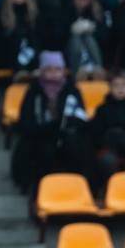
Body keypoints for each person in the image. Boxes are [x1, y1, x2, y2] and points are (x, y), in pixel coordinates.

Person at [11, 51, 91, 192]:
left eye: (57, 69)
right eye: (49, 69)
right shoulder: (33, 91)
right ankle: (39, 189)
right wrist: (47, 128)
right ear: (42, 71)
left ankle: (81, 187)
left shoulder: (71, 90)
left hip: (65, 135)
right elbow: (26, 121)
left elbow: (79, 117)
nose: (54, 73)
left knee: (78, 145)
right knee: (40, 148)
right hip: (40, 135)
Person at [49, 0, 112, 82]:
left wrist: (93, 28)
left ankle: (97, 70)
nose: (83, 2)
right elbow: (55, 38)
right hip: (69, 52)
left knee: (88, 37)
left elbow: (106, 38)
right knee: (75, 38)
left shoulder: (96, 9)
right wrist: (71, 30)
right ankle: (78, 72)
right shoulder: (62, 8)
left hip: (93, 50)